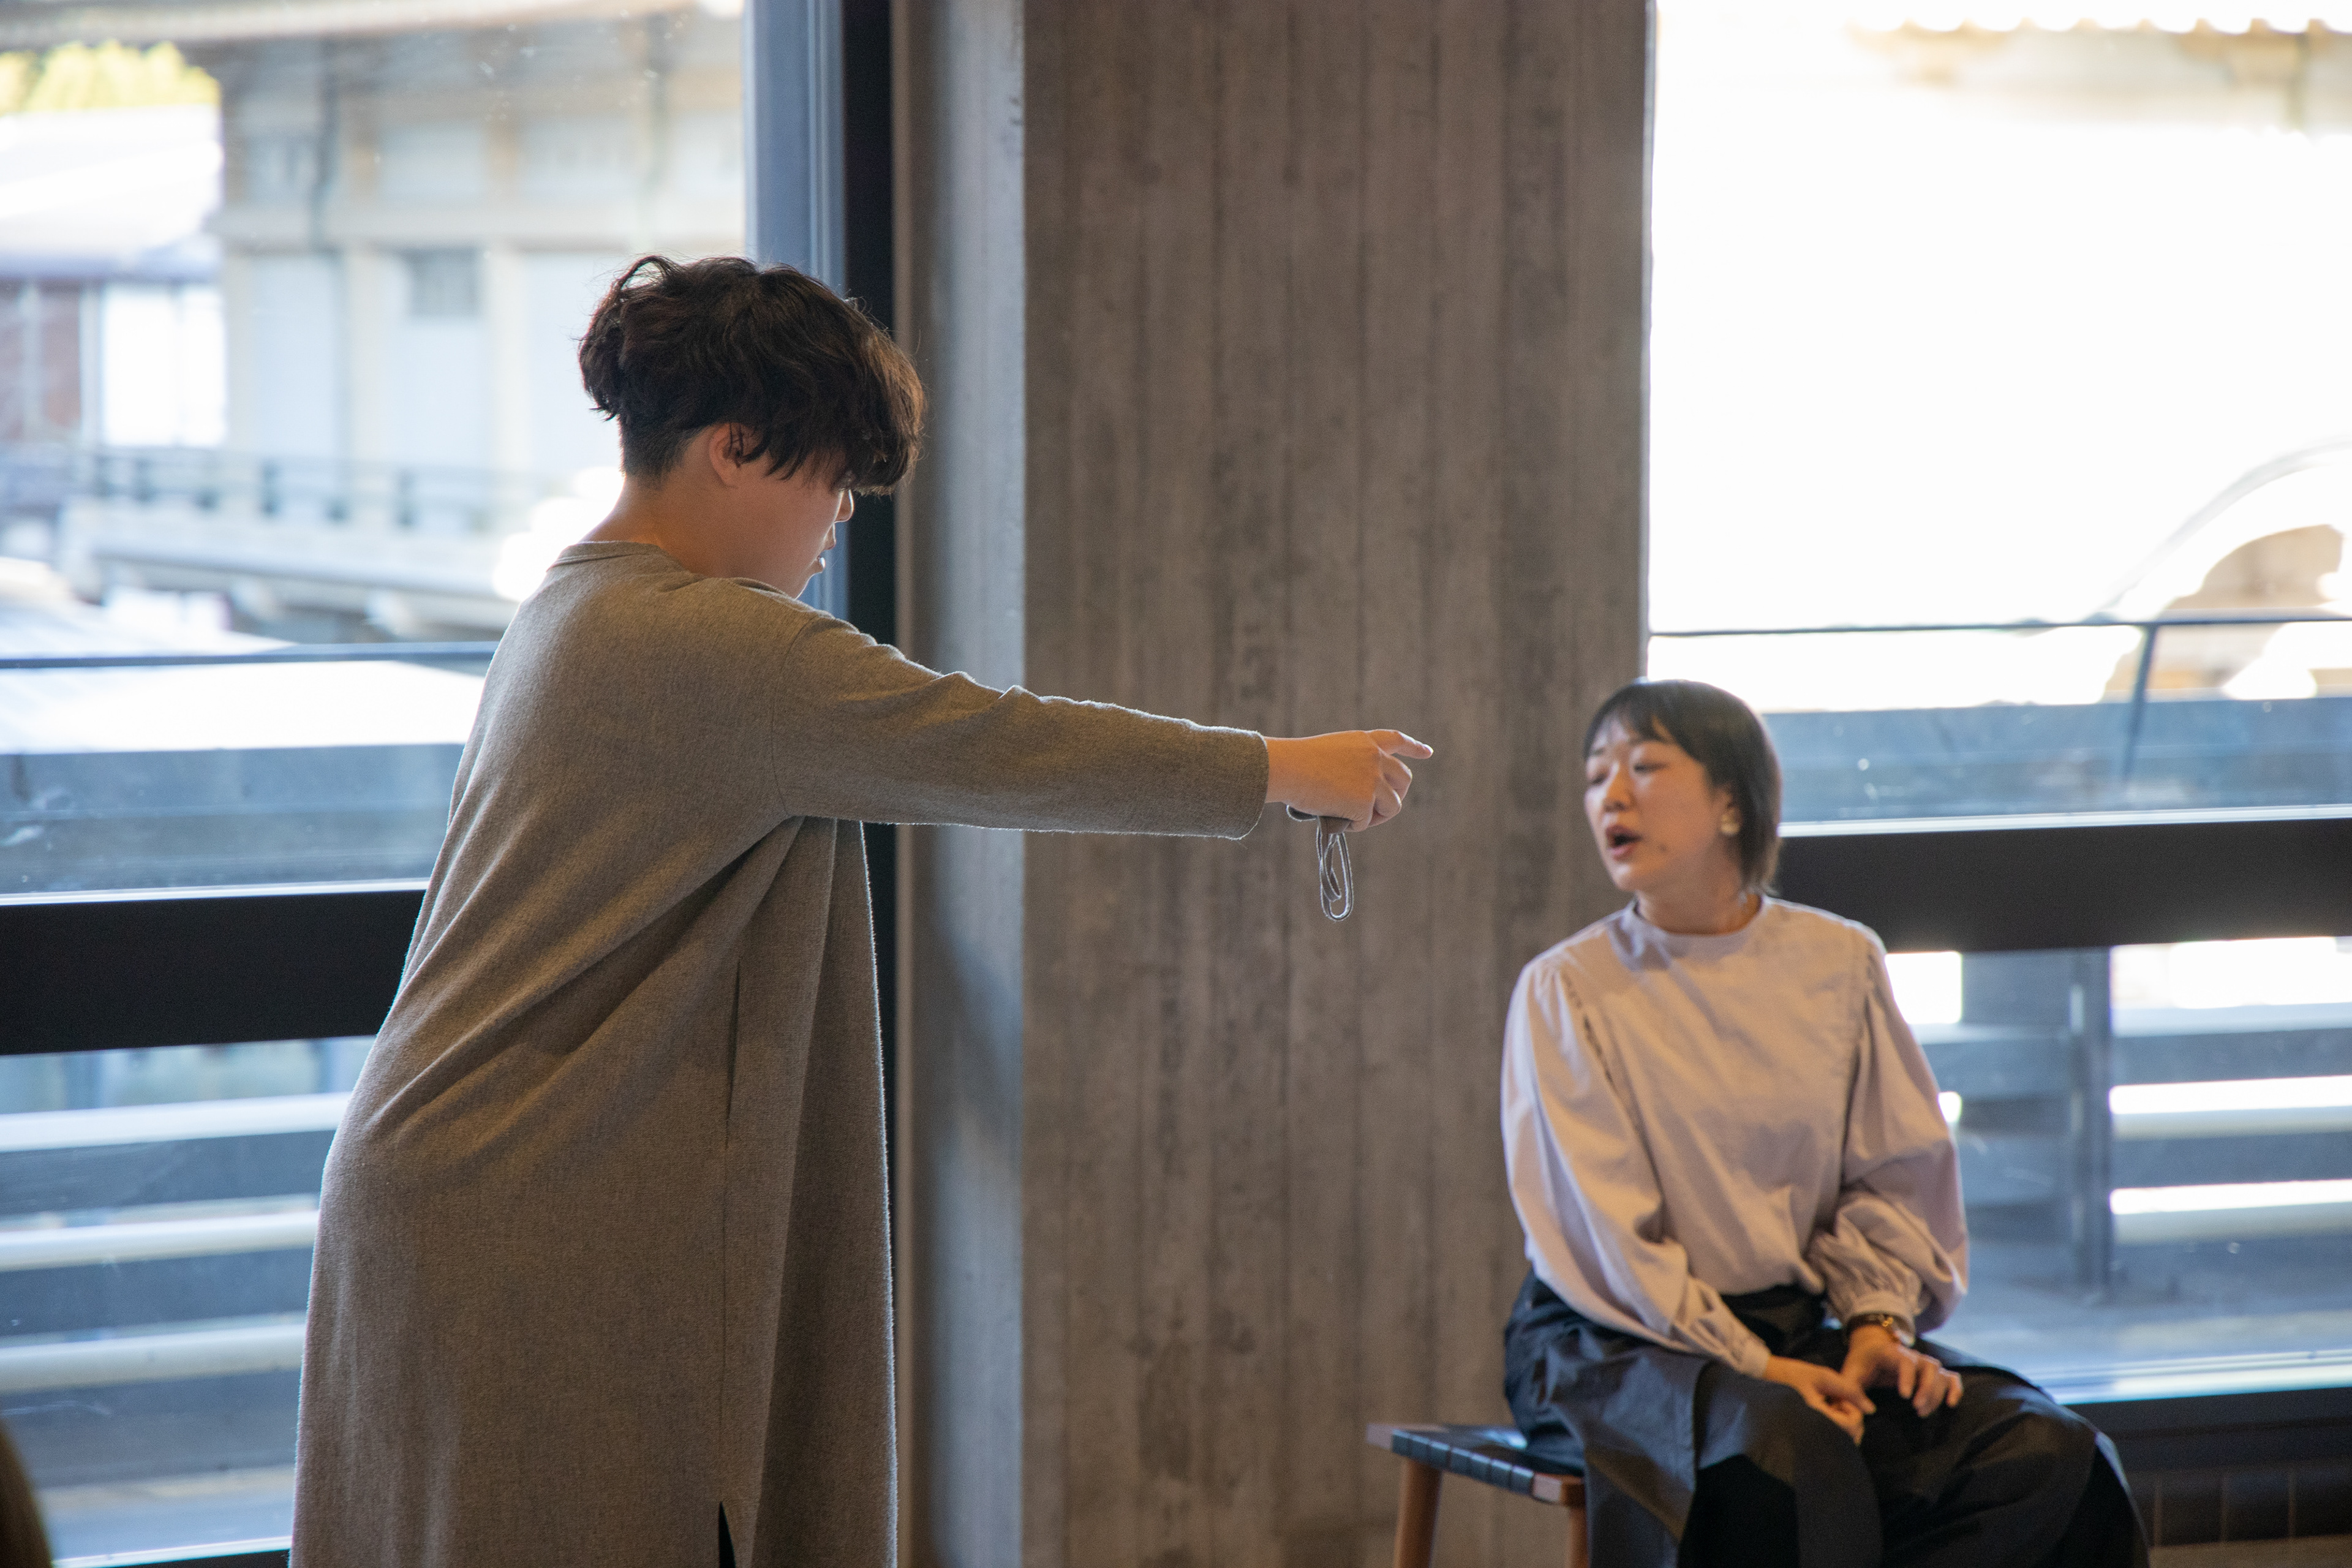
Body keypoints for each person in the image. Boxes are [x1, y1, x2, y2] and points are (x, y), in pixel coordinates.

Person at [291, 255, 1431, 1568]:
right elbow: (997, 745)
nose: (838, 516)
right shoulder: (707, 641)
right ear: (733, 448)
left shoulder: (571, 606)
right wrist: (1285, 767)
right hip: (533, 1202)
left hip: (462, 1173)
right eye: (829, 476)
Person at [1499, 678, 2144, 1567]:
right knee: (1785, 1456)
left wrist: (1877, 1326)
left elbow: (1892, 1176)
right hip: (1614, 1342)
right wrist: (1760, 1369)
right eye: (1595, 776)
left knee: (2048, 1454)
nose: (1610, 796)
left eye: (1643, 767)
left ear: (1732, 801)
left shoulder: (1838, 961)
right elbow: (1613, 1244)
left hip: (1798, 1327)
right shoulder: (1567, 988)